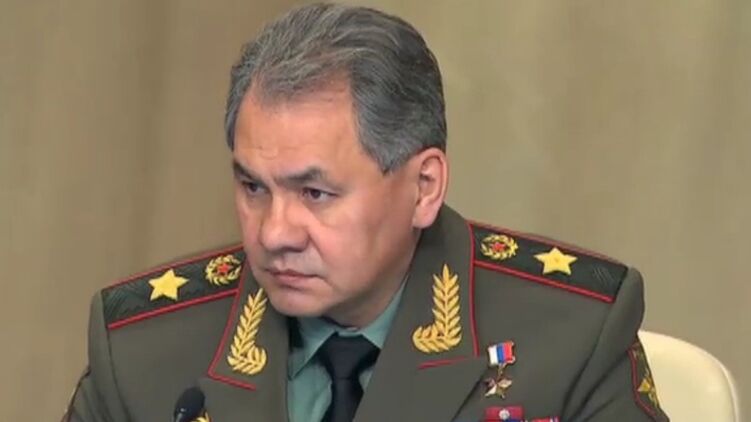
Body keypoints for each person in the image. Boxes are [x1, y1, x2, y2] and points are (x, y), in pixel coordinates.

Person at [63, 3, 669, 422]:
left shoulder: (572, 339)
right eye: (253, 187)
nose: (274, 233)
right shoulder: (141, 350)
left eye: (315, 194)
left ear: (424, 187)